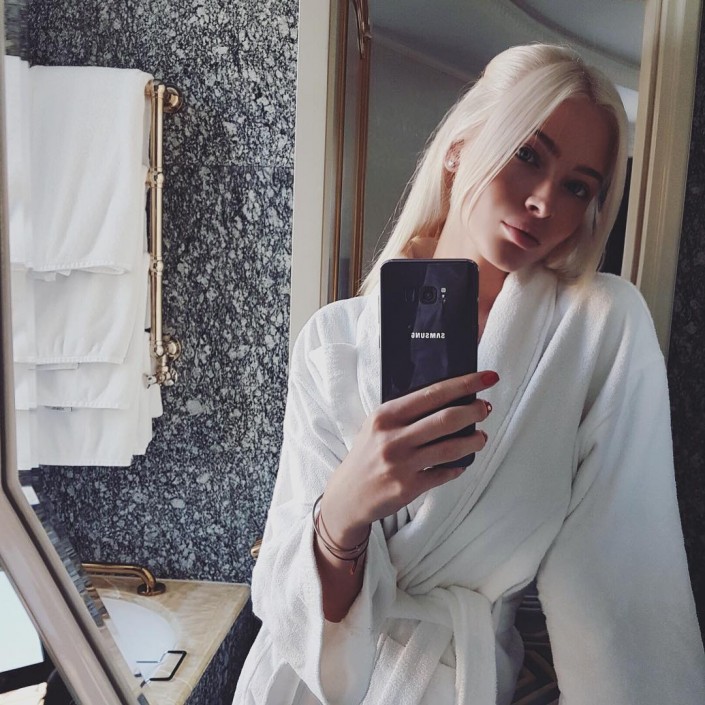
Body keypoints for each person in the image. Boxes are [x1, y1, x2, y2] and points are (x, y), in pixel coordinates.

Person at [233, 44, 705, 705]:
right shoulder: (334, 340)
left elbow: (624, 582)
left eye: (577, 186)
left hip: (458, 678)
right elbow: (283, 595)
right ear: (458, 148)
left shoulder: (598, 327)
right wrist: (344, 511)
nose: (543, 200)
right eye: (527, 155)